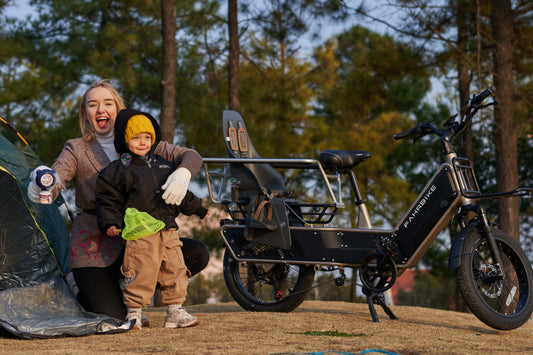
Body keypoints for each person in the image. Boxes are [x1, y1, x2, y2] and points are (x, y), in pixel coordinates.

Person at [26, 80, 210, 322]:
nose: (101, 109)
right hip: (96, 244)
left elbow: (191, 155)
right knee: (111, 316)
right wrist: (45, 183)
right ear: (85, 113)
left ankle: (133, 289)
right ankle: (83, 286)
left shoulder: (146, 142)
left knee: (197, 253)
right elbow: (59, 173)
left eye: (107, 103)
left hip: (144, 242)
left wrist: (183, 173)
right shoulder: (76, 148)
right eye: (93, 104)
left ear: (118, 109)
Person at [95, 109, 206, 329]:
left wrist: (199, 209)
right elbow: (107, 199)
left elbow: (179, 194)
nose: (142, 142)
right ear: (124, 140)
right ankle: (135, 313)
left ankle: (175, 310)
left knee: (175, 270)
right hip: (140, 233)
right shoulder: (118, 170)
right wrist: (110, 222)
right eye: (136, 137)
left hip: (168, 230)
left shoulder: (164, 165)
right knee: (140, 271)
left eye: (147, 137)